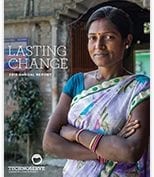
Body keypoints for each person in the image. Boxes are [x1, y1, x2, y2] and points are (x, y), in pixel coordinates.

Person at [43, 6, 150, 177]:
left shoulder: (140, 88)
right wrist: (106, 149)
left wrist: (75, 134)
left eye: (109, 37)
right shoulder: (76, 82)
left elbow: (130, 151)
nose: (98, 45)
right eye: (92, 38)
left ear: (127, 41)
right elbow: (49, 142)